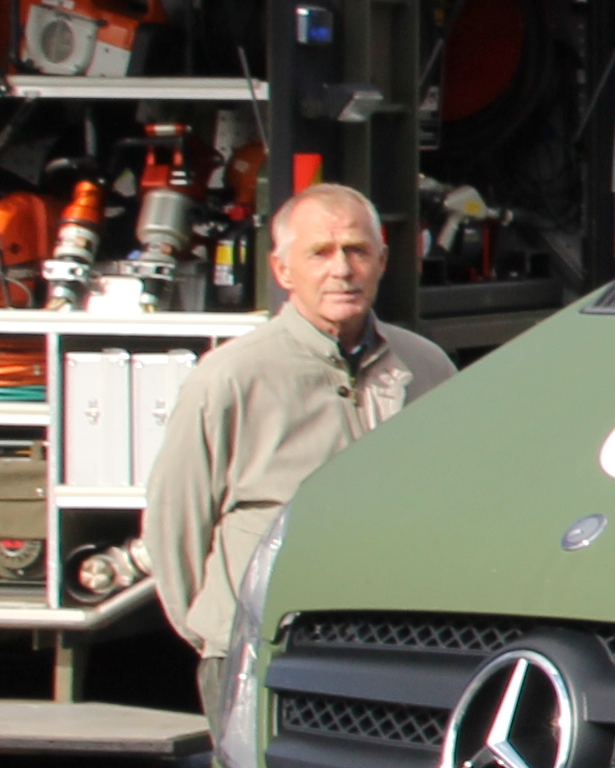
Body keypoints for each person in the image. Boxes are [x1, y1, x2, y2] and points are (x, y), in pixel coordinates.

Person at [141, 183, 455, 654]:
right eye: (320, 253)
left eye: (357, 251)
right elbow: (175, 523)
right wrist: (219, 636)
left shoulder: (428, 368)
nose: (342, 270)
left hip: (391, 645)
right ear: (283, 270)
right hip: (264, 651)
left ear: (383, 261)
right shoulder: (232, 377)